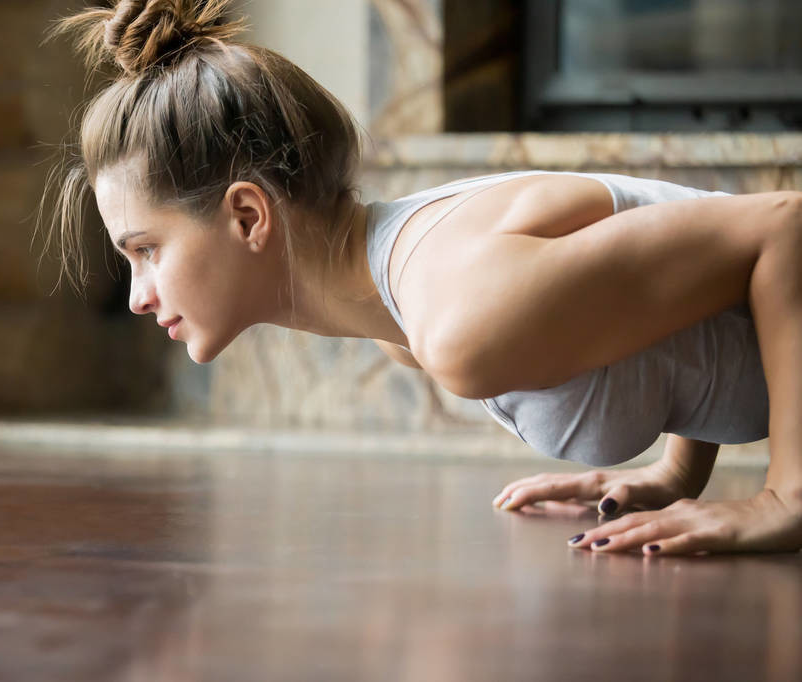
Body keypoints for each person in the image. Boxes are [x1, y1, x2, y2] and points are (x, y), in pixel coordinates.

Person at [40, 0, 802, 556]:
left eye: (145, 249)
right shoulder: (404, 316)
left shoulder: (458, 310)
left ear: (247, 216)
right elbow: (681, 292)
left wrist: (783, 499)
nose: (137, 294)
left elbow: (778, 228)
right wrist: (676, 472)